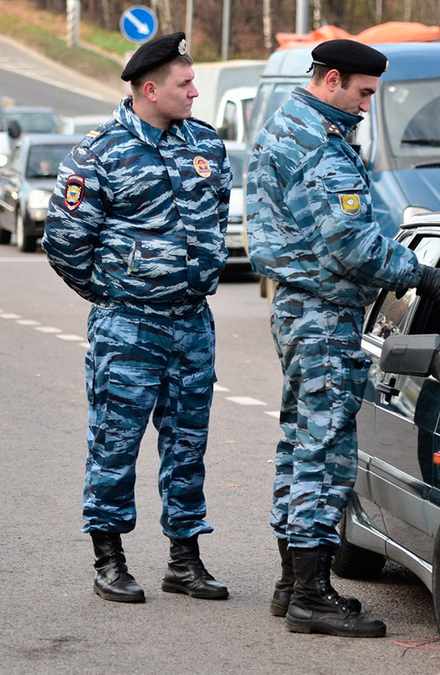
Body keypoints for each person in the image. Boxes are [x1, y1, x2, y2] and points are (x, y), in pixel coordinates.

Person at [246, 39, 440, 638]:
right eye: (364, 92)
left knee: (299, 441)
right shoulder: (319, 145)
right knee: (325, 449)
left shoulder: (288, 127)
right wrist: (423, 275)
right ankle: (312, 595)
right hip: (322, 313)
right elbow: (353, 245)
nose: (368, 106)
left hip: (299, 307)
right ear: (333, 79)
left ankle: (292, 582)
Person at [42, 32, 231, 604]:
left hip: (192, 322)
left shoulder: (205, 143)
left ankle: (184, 558)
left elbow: (217, 215)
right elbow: (64, 241)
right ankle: (109, 559)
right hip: (129, 324)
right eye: (185, 84)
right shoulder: (97, 153)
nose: (196, 92)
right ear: (150, 89)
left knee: (187, 444)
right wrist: (112, 292)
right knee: (115, 441)